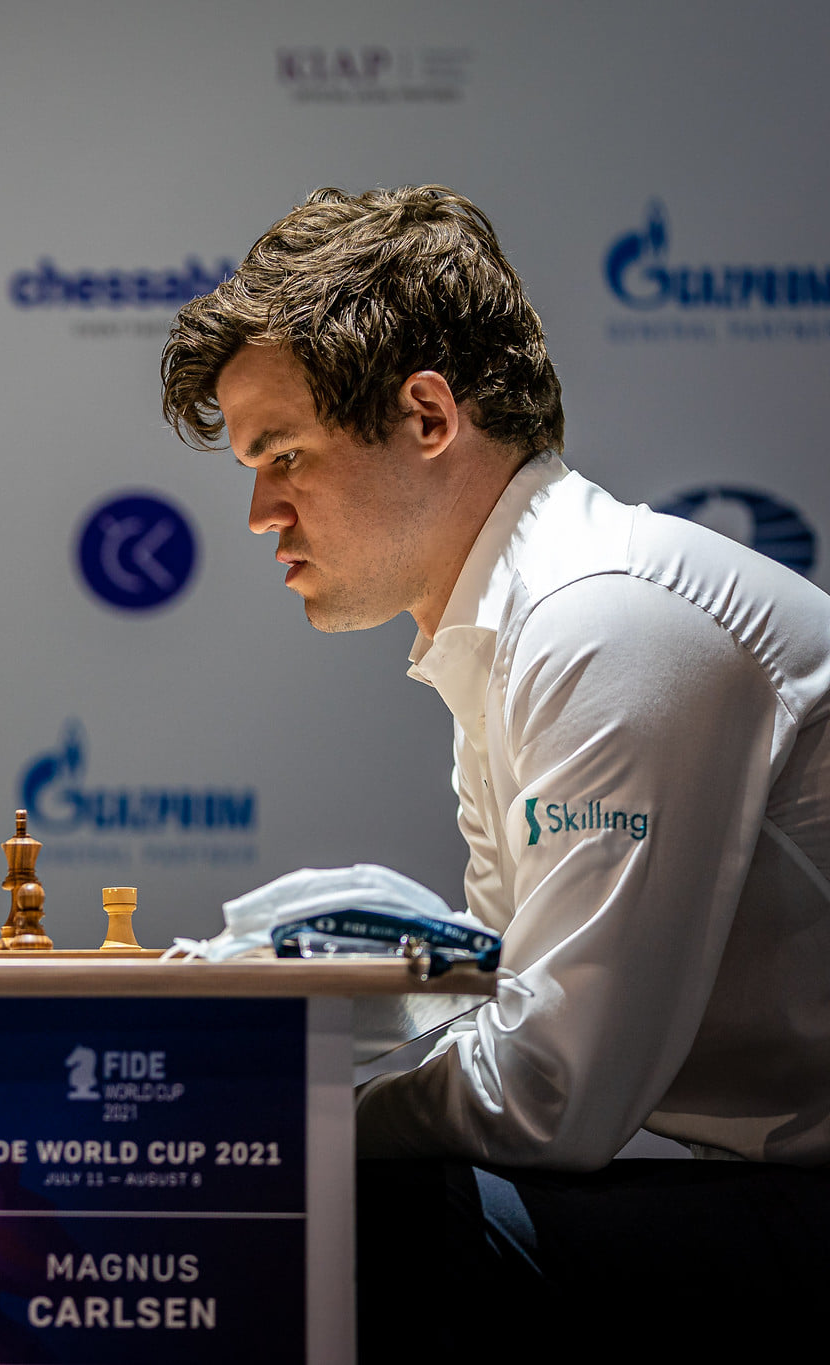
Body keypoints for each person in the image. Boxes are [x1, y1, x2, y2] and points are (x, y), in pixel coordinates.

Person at [161, 186, 830, 1358]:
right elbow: (504, 1011)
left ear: (426, 415)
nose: (261, 512)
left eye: (284, 456)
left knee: (359, 1215)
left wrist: (285, 1122)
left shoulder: (602, 622)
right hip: (763, 1190)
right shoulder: (508, 626)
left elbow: (549, 1096)